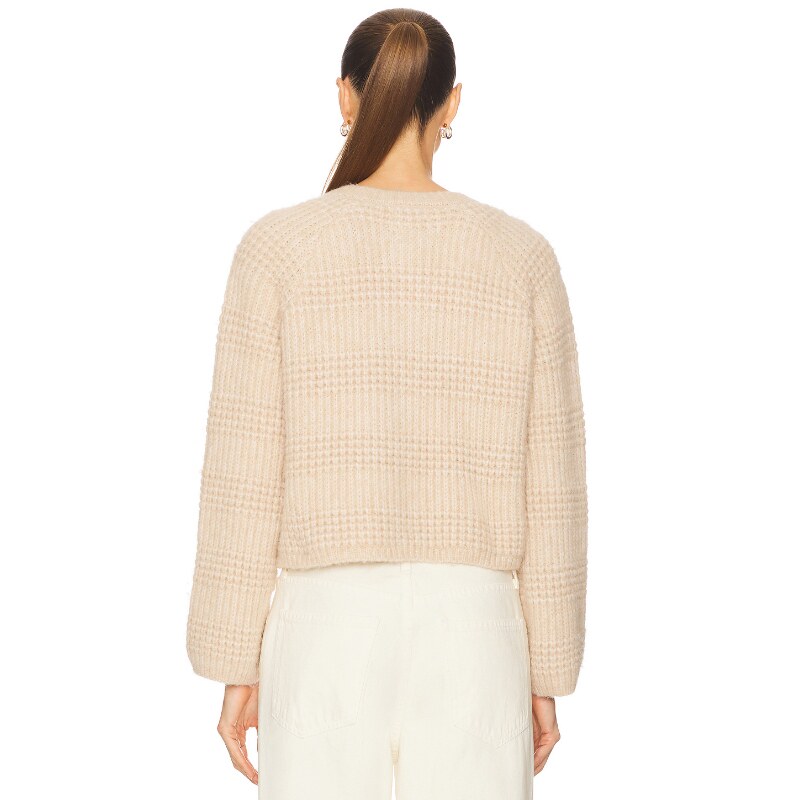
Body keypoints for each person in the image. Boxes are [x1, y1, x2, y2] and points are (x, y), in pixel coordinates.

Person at [185, 8, 588, 799]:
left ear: (345, 95)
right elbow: (555, 485)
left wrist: (235, 662)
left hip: (324, 630)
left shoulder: (278, 250)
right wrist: (548, 669)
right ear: (453, 101)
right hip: (475, 633)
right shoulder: (521, 258)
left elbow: (242, 469)